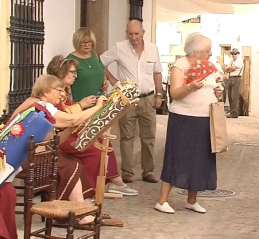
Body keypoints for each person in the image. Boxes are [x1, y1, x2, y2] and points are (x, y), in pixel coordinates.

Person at [9, 74, 108, 224]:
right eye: (59, 90)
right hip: (19, 160)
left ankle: (79, 207)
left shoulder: (37, 104)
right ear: (46, 91)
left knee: (71, 161)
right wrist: (98, 107)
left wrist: (71, 128)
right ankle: (76, 213)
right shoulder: (40, 105)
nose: (62, 94)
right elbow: (72, 118)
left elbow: (56, 141)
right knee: (69, 164)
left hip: (30, 155)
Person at [46, 55, 138, 196]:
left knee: (102, 141)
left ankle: (108, 183)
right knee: (95, 149)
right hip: (57, 136)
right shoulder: (55, 91)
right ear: (60, 73)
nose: (75, 76)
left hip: (66, 132)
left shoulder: (64, 90)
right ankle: (88, 192)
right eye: (72, 72)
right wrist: (82, 105)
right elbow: (62, 115)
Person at [154, 32, 223, 214]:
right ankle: (162, 201)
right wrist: (191, 86)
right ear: (196, 51)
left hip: (205, 117)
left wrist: (217, 92)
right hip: (183, 118)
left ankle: (192, 200)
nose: (210, 53)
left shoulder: (209, 66)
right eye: (207, 50)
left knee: (200, 159)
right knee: (176, 157)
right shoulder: (181, 65)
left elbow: (214, 86)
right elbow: (175, 94)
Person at [101, 20, 163, 184]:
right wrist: (115, 82)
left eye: (137, 34)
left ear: (143, 33)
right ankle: (127, 171)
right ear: (126, 33)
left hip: (148, 97)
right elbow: (100, 63)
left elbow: (157, 73)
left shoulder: (152, 49)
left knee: (148, 136)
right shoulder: (119, 47)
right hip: (127, 99)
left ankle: (148, 171)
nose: (134, 37)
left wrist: (159, 95)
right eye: (130, 34)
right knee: (127, 136)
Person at [66, 27, 108, 103]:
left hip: (99, 102)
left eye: (89, 42)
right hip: (82, 104)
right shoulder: (71, 60)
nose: (87, 45)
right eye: (83, 42)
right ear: (77, 42)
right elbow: (65, 84)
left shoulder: (94, 55)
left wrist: (104, 81)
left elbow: (101, 70)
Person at [224, 48, 243, 118]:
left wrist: (228, 69)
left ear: (238, 54)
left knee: (234, 96)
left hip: (236, 78)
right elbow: (226, 68)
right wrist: (228, 69)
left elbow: (233, 68)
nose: (234, 55)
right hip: (231, 78)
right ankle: (232, 111)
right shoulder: (231, 61)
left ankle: (234, 112)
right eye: (232, 54)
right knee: (229, 96)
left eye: (235, 54)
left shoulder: (239, 61)